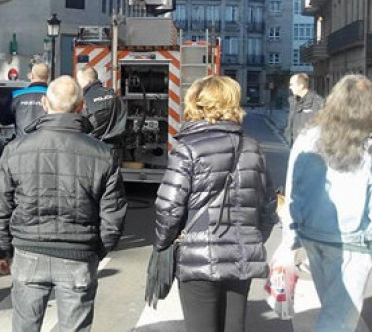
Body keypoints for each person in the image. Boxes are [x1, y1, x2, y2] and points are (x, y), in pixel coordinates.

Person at [0, 75, 127, 331]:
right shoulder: (102, 154)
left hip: (29, 251)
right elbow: (113, 213)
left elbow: (0, 204)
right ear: (81, 107)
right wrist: (98, 251)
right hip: (78, 254)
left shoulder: (16, 149)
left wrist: (4, 250)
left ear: (44, 103)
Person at [153, 75, 277, 332]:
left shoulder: (187, 149)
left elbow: (168, 207)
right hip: (241, 256)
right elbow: (268, 206)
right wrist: (250, 238)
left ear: (196, 104)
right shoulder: (253, 148)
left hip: (197, 257)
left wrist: (165, 244)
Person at [279, 75, 372, 332]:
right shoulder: (367, 142)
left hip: (313, 238)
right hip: (352, 243)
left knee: (334, 312)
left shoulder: (309, 136)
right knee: (337, 321)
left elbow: (293, 187)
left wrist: (291, 238)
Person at [76, 66, 127, 155]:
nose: (77, 84)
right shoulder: (115, 96)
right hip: (115, 148)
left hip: (93, 148)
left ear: (88, 80)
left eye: (79, 80)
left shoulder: (86, 98)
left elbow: (82, 125)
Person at [0, 63, 51, 138]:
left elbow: (4, 120)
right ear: (48, 77)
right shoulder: (53, 95)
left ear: (32, 76)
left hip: (22, 144)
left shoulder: (16, 95)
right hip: (47, 144)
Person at [285, 73, 324, 145]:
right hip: (295, 146)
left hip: (310, 148)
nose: (290, 87)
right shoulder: (293, 101)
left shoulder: (317, 102)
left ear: (301, 86)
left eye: (292, 84)